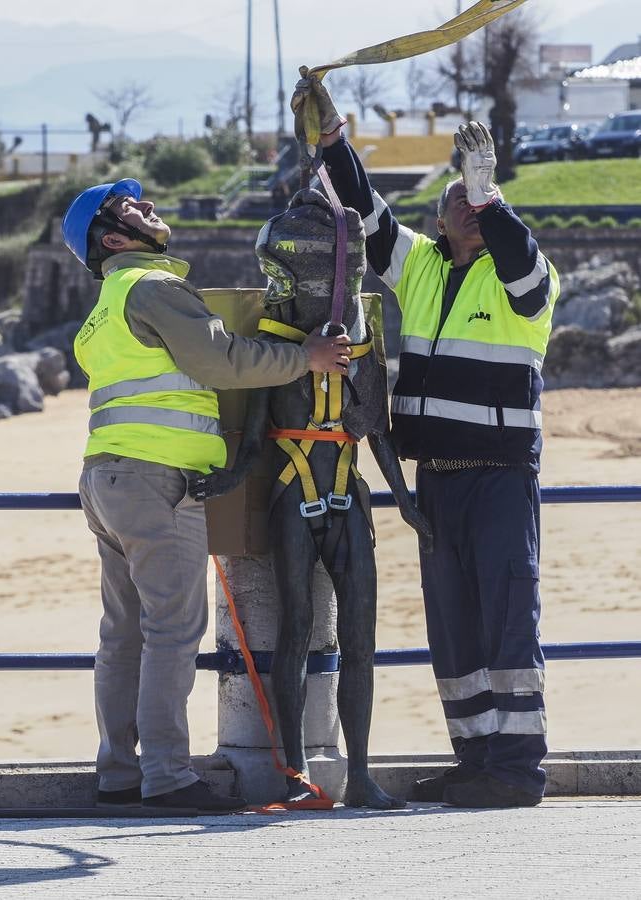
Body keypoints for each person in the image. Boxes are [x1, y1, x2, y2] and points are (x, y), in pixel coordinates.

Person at [291, 77, 560, 809]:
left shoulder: (523, 282)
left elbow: (521, 263)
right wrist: (332, 141)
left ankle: (516, 769)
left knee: (507, 619)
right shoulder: (420, 265)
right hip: (434, 482)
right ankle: (474, 759)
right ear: (440, 219)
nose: (466, 213)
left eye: (476, 206)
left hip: (500, 477)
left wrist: (490, 195)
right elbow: (364, 210)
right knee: (453, 626)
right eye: (457, 203)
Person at [62, 177, 351, 813]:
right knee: (172, 631)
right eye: (131, 207)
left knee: (124, 633)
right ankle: (166, 777)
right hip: (158, 484)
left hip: (105, 480)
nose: (149, 205)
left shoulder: (103, 308)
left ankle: (117, 771)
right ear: (114, 238)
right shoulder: (155, 287)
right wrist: (307, 357)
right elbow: (221, 362)